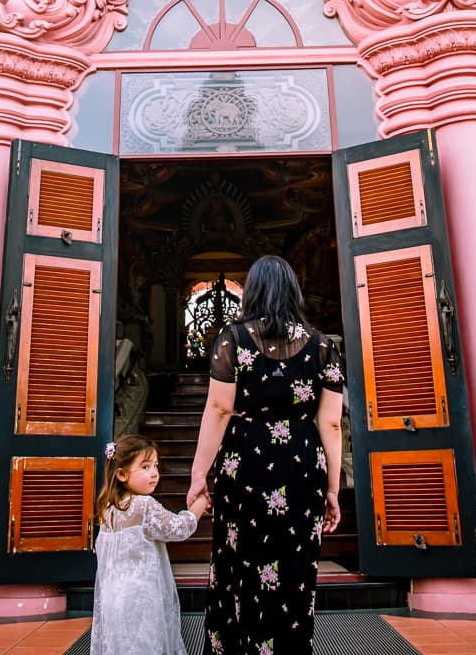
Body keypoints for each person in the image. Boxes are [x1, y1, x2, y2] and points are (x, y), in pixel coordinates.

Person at [186, 255, 344, 655]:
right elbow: (331, 424)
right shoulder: (323, 346)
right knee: (294, 569)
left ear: (251, 292)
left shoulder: (231, 339)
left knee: (239, 562)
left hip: (245, 463)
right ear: (294, 292)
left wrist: (198, 474)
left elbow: (219, 410)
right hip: (301, 464)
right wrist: (333, 489)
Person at [90, 433, 209, 655]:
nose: (154, 473)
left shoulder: (107, 510)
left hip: (112, 600)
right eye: (145, 467)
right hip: (141, 601)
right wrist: (200, 502)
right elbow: (179, 528)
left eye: (155, 465)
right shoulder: (143, 506)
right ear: (122, 474)